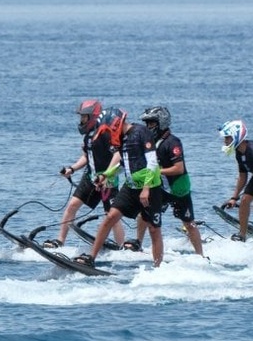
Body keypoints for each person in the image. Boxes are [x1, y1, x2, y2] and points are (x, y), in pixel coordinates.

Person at [74, 108, 163, 267]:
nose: (108, 134)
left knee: (154, 229)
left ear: (115, 124)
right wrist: (106, 175)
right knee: (110, 217)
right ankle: (91, 258)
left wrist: (146, 188)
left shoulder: (141, 132)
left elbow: (152, 162)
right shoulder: (122, 139)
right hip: (130, 187)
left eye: (108, 130)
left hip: (150, 188)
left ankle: (158, 268)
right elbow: (124, 164)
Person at [44, 99, 126, 249]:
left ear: (93, 116)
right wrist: (72, 169)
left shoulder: (106, 133)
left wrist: (107, 175)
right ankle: (59, 241)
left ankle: (122, 248)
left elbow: (118, 156)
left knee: (112, 215)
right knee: (72, 206)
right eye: (80, 117)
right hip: (90, 176)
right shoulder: (88, 136)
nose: (81, 120)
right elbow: (86, 157)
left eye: (84, 117)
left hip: (107, 179)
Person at [132, 106, 206, 257]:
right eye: (146, 124)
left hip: (178, 188)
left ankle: (201, 256)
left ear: (162, 122)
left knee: (189, 223)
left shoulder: (173, 142)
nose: (148, 127)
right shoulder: (151, 142)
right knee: (143, 213)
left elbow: (179, 168)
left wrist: (155, 171)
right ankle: (137, 244)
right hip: (161, 187)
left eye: (151, 123)